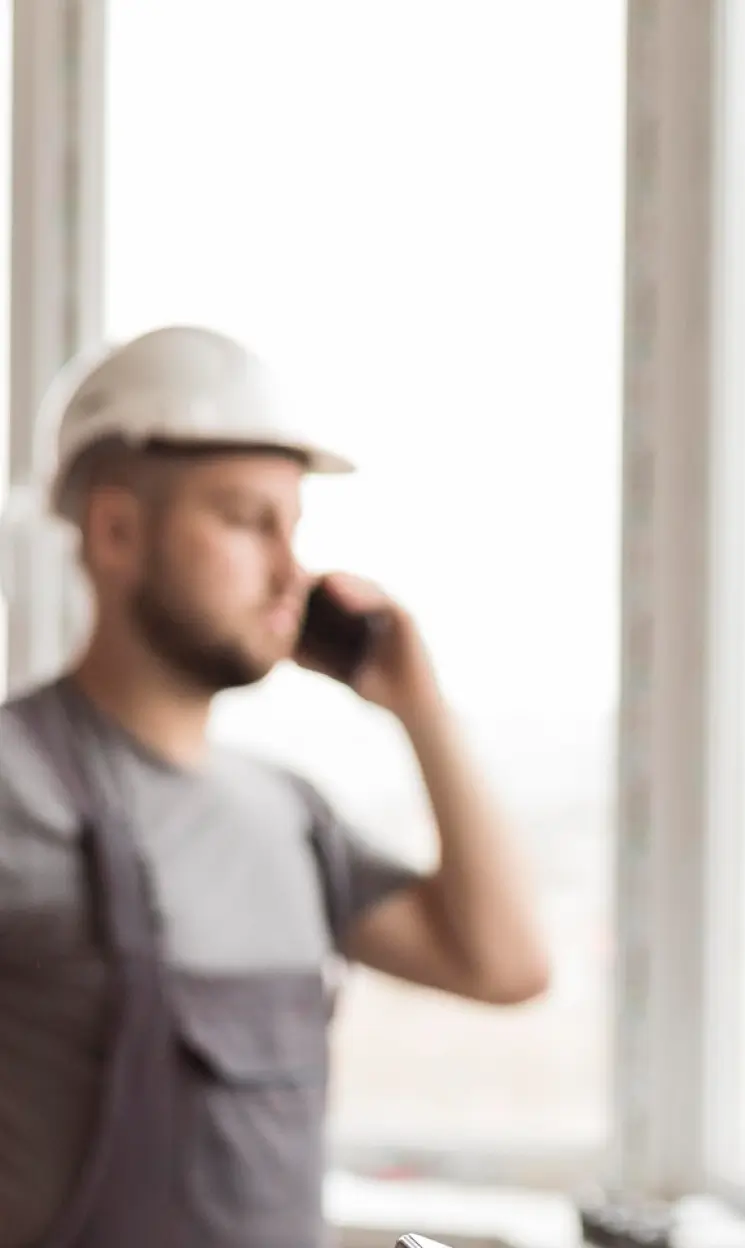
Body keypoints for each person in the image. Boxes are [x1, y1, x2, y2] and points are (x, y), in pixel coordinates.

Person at [0, 326, 551, 1248]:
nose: (291, 571)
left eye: (294, 529)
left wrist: (418, 707)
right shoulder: (15, 787)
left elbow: (505, 964)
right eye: (246, 519)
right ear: (116, 530)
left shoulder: (288, 814)